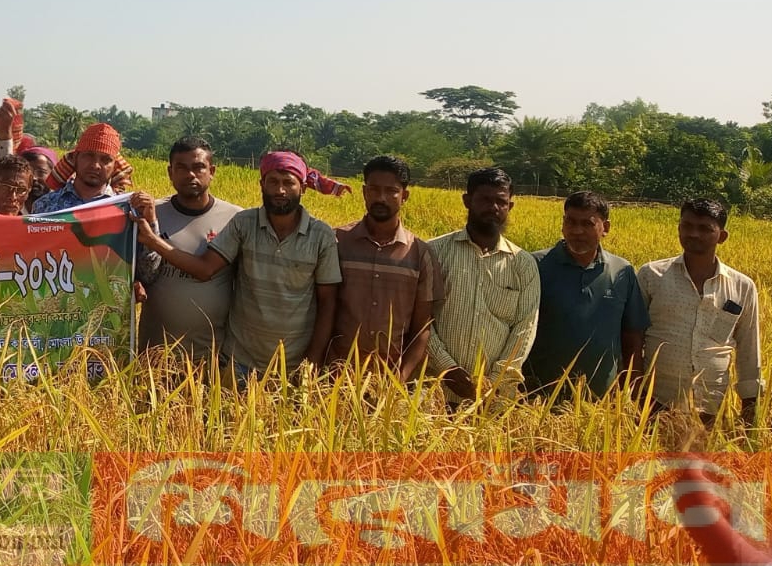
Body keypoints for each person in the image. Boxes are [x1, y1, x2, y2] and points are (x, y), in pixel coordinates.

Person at [136, 150, 341, 385]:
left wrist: (312, 362)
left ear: (302, 187)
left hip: (294, 364)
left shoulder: (321, 236)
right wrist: (151, 241)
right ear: (262, 184)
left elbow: (328, 303)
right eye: (273, 181)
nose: (280, 190)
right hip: (239, 362)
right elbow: (206, 269)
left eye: (288, 183)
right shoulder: (243, 224)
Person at [635, 197, 760, 426]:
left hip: (710, 405)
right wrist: (635, 392)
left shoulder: (742, 286)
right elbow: (633, 336)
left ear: (721, 236)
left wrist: (750, 406)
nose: (693, 234)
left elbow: (748, 346)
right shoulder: (652, 275)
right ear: (679, 228)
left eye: (704, 228)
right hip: (655, 400)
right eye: (687, 226)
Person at [426, 167, 540, 402]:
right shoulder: (434, 252)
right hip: (435, 393)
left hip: (494, 399)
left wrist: (495, 381)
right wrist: (448, 371)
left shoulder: (522, 264)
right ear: (467, 201)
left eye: (501, 201)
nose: (493, 208)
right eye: (485, 200)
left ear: (510, 206)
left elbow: (525, 328)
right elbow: (420, 319)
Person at [522, 191, 649, 402]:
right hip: (538, 397)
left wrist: (633, 392)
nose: (577, 231)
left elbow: (633, 336)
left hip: (602, 399)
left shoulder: (621, 271)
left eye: (587, 224)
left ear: (605, 228)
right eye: (570, 222)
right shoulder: (535, 265)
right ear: (563, 223)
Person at [328, 156, 444, 382]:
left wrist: (400, 378)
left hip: (391, 379)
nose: (381, 198)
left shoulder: (420, 254)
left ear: (404, 196)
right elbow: (320, 309)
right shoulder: (336, 242)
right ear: (364, 192)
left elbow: (422, 329)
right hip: (335, 376)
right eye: (374, 189)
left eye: (391, 191)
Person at [131, 137, 242, 362]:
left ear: (211, 171)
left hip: (212, 354)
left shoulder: (235, 218)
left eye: (198, 167)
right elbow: (129, 269)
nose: (190, 174)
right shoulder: (150, 214)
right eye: (181, 168)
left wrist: (154, 241)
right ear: (170, 172)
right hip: (154, 354)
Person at [32, 124, 124, 214]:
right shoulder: (44, 206)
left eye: (105, 159)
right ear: (75, 158)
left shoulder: (125, 208)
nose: (96, 165)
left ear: (115, 166)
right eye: (89, 156)